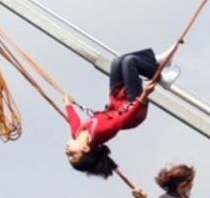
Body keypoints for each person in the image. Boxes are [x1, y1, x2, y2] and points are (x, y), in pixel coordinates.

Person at [64, 46, 180, 176]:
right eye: (72, 155)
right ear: (85, 148)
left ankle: (153, 63)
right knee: (129, 62)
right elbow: (124, 118)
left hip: (117, 102)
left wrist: (68, 103)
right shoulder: (101, 132)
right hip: (133, 110)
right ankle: (161, 77)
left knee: (117, 61)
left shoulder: (77, 134)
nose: (67, 153)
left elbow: (73, 121)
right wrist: (143, 97)